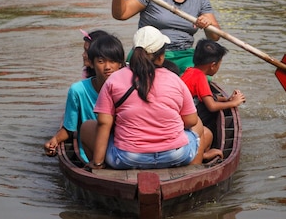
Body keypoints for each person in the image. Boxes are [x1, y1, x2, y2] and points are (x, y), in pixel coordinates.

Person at [80, 26, 222, 170]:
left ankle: (101, 169)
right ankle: (194, 169)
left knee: (86, 127)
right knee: (197, 123)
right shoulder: (174, 79)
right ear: (161, 57)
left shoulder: (114, 79)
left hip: (127, 158)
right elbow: (190, 120)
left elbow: (104, 123)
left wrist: (97, 162)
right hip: (176, 155)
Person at [44, 33, 125, 162]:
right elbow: (70, 128)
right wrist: (55, 140)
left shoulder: (130, 89)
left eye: (112, 61)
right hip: (92, 152)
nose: (108, 67)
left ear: (120, 64)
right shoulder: (78, 91)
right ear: (91, 64)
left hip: (124, 149)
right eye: (101, 61)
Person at [181, 39, 246, 131]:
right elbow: (212, 106)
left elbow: (206, 97)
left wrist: (226, 99)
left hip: (181, 112)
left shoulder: (189, 71)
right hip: (186, 118)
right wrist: (233, 103)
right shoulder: (200, 77)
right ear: (213, 65)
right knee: (212, 114)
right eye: (219, 64)